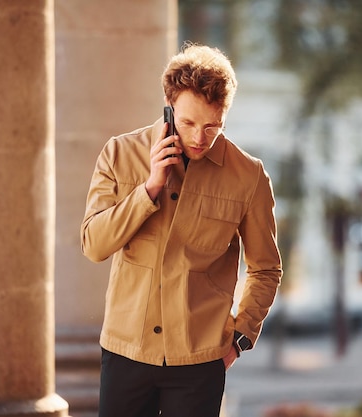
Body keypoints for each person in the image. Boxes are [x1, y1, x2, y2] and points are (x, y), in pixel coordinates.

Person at [81, 43, 282, 417]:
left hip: (199, 362)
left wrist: (239, 339)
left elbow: (266, 269)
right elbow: (94, 244)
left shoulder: (249, 177)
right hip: (126, 353)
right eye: (188, 123)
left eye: (212, 127)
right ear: (169, 103)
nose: (199, 138)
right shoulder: (120, 154)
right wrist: (148, 190)